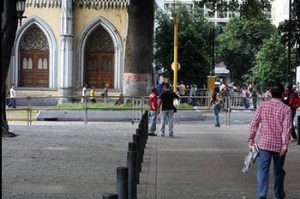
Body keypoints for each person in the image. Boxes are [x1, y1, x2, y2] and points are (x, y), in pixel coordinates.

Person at [248, 83, 292, 199]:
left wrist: (251, 139)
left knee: (262, 169)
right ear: (283, 94)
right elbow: (286, 129)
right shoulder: (286, 109)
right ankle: (278, 194)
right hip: (279, 146)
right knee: (278, 171)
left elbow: (254, 124)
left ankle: (262, 195)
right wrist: (284, 146)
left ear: (271, 94)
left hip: (264, 144)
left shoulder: (262, 106)